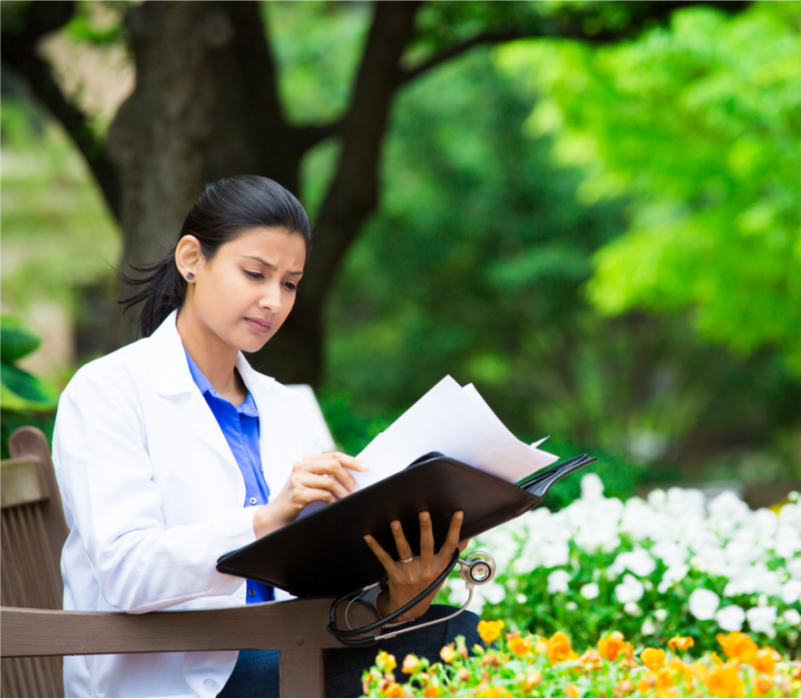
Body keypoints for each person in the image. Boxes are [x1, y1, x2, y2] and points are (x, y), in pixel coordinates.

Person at [52, 175, 480, 698]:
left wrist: (398, 598)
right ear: (191, 259)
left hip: (289, 653)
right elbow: (126, 572)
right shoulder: (106, 392)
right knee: (454, 644)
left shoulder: (285, 406)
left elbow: (320, 582)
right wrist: (264, 520)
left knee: (448, 631)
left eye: (290, 283)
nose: (273, 300)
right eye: (255, 273)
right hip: (180, 678)